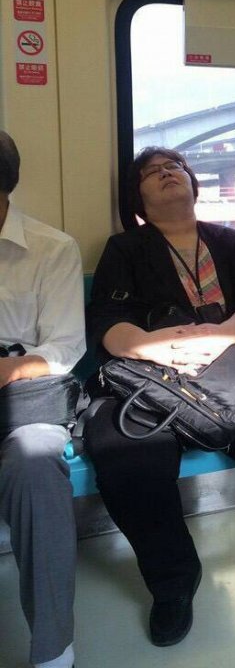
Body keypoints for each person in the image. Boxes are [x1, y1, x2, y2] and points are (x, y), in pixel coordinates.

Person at [83, 147, 235, 647]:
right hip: (149, 374)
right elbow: (107, 322)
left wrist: (218, 339)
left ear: (193, 183)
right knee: (127, 455)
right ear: (137, 198)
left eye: (175, 167)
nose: (167, 173)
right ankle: (174, 579)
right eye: (152, 172)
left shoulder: (228, 241)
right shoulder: (124, 248)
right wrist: (159, 347)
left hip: (226, 370)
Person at [0, 131, 85, 668]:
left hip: (26, 390)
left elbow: (64, 346)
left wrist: (7, 370)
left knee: (34, 463)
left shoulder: (52, 248)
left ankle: (53, 651)